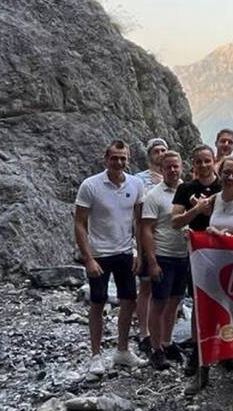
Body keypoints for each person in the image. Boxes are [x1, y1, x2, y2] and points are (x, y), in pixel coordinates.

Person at [185, 155, 233, 395]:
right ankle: (202, 369)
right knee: (207, 315)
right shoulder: (213, 200)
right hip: (212, 266)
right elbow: (199, 224)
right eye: (225, 173)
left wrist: (223, 236)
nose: (229, 177)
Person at [73, 140, 145, 375]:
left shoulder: (135, 184)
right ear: (106, 159)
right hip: (100, 254)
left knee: (129, 301)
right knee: (97, 302)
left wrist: (139, 253)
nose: (119, 162)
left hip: (125, 252)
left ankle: (122, 351)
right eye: (114, 158)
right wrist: (88, 258)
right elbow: (80, 223)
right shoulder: (90, 185)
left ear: (128, 159)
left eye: (123, 158)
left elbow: (139, 221)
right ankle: (95, 355)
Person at [171, 145, 221, 376]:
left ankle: (222, 348)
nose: (203, 166)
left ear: (213, 162)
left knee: (223, 301)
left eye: (207, 161)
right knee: (199, 301)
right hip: (197, 254)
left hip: (222, 253)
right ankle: (197, 350)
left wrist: (207, 213)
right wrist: (197, 210)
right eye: (199, 162)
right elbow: (176, 221)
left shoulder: (223, 186)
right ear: (193, 164)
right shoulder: (185, 188)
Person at [138, 150, 188, 370]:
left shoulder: (187, 191)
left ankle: (167, 342)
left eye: (176, 166)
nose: (173, 170)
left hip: (183, 256)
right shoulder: (154, 196)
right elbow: (146, 230)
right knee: (158, 303)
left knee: (175, 301)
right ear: (161, 168)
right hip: (164, 255)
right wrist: (152, 261)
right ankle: (156, 349)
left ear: (181, 167)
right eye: (168, 167)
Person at [132, 136, 169, 352]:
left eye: (164, 150)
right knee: (145, 287)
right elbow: (136, 213)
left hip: (167, 240)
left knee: (164, 289)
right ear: (149, 155)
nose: (161, 154)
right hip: (147, 237)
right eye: (156, 151)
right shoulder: (139, 180)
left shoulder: (174, 178)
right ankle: (143, 332)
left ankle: (161, 332)